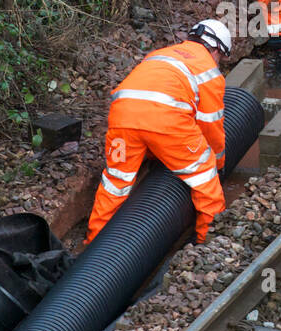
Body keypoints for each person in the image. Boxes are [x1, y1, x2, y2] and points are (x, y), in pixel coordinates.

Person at [86, 19, 232, 244]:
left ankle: (93, 243)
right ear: (216, 49)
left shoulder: (161, 54)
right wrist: (218, 164)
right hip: (165, 121)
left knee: (115, 181)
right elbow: (210, 126)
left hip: (122, 117)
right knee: (205, 175)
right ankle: (207, 240)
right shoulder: (209, 71)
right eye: (221, 57)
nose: (219, 62)